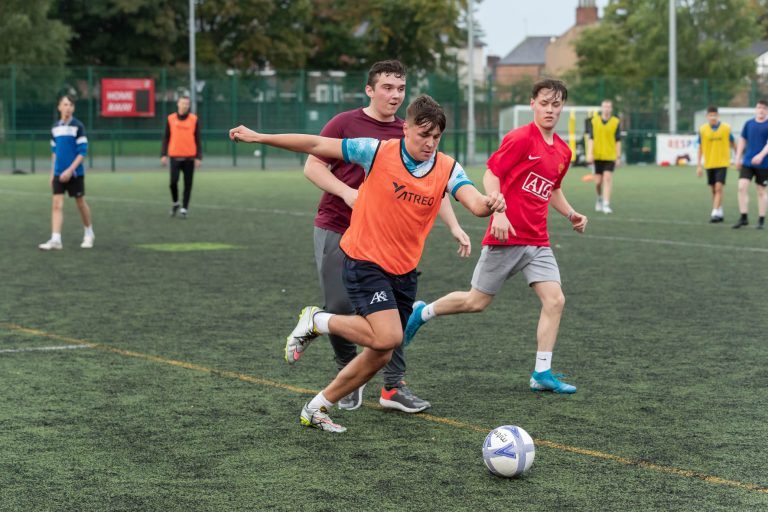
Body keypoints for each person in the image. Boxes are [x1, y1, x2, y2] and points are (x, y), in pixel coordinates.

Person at [229, 95, 506, 432]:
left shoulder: (447, 167)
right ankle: (318, 320)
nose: (430, 143)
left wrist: (489, 203)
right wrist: (260, 137)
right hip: (365, 261)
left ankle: (316, 407)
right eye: (423, 135)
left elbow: (474, 202)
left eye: (436, 137)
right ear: (405, 129)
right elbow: (316, 143)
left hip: (404, 272)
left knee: (382, 354)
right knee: (388, 336)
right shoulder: (376, 151)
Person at [303, 60, 471, 414]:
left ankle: (393, 386)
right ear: (370, 90)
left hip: (388, 237)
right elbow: (312, 165)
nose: (394, 95)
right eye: (387, 87)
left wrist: (454, 226)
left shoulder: (409, 131)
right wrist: (347, 194)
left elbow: (433, 185)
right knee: (339, 307)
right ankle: (346, 376)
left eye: (400, 88)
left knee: (392, 311)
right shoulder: (345, 124)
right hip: (338, 225)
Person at [403, 79, 587, 394]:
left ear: (562, 108)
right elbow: (492, 173)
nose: (549, 110)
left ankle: (542, 372)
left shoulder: (563, 150)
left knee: (555, 300)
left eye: (556, 105)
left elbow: (552, 188)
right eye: (544, 103)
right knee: (476, 302)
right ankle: (423, 311)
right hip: (506, 236)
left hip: (538, 240)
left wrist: (570, 214)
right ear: (533, 104)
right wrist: (498, 212)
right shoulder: (519, 138)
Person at [39, 95, 95, 251]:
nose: (68, 107)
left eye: (70, 104)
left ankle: (88, 233)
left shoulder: (78, 126)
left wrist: (70, 170)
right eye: (65, 104)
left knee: (80, 203)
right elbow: (54, 152)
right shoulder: (54, 128)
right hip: (58, 173)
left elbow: (82, 152)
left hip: (75, 173)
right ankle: (56, 239)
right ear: (59, 107)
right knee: (57, 205)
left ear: (73, 108)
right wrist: (53, 172)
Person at [161, 94, 202, 218]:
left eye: (187, 103)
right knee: (173, 182)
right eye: (182, 103)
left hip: (189, 157)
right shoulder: (171, 119)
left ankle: (184, 208)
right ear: (178, 104)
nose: (185, 105)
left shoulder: (194, 119)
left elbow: (198, 139)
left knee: (188, 184)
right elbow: (166, 138)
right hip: (174, 156)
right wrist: (163, 154)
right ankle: (175, 203)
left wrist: (199, 156)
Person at [732, 99, 768, 229]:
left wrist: (761, 155)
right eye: (759, 107)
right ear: (755, 109)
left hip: (764, 164)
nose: (761, 110)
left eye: (764, 108)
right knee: (741, 187)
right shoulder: (748, 124)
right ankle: (743, 217)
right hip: (747, 162)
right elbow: (742, 140)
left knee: (761, 191)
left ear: (767, 110)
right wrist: (737, 158)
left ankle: (761, 220)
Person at [696, 106, 735, 223]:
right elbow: (700, 148)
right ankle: (719, 211)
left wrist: (737, 157)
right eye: (710, 115)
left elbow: (733, 143)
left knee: (718, 188)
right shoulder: (702, 130)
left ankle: (714, 212)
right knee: (713, 190)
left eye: (714, 115)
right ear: (707, 117)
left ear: (718, 116)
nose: (712, 117)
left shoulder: (726, 128)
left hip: (722, 163)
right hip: (709, 163)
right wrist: (699, 165)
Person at [586, 99, 621, 214]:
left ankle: (606, 204)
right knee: (597, 182)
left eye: (608, 107)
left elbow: (618, 141)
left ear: (611, 109)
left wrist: (618, 157)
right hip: (597, 156)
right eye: (604, 106)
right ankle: (599, 198)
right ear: (601, 108)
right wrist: (590, 153)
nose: (606, 109)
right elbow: (591, 138)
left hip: (610, 156)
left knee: (607, 178)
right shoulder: (594, 121)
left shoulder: (616, 122)